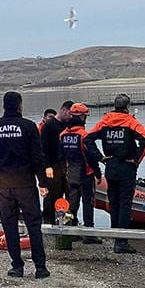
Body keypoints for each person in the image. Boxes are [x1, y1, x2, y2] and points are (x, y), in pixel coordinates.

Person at [0, 91, 51, 279]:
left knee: (9, 225)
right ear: (20, 106)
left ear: (4, 106)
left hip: (3, 184)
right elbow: (37, 157)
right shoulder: (28, 126)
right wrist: (43, 182)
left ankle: (17, 266)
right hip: (25, 183)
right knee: (34, 225)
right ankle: (40, 267)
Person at [83, 93, 145, 253]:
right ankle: (121, 241)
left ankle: (115, 237)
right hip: (126, 166)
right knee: (125, 203)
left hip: (111, 166)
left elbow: (87, 139)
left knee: (114, 202)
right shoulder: (131, 122)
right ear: (127, 107)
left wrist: (100, 157)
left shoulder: (105, 121)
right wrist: (136, 160)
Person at [58, 102, 101, 240]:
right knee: (88, 203)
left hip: (71, 173)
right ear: (82, 117)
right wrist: (98, 173)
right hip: (85, 174)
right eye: (85, 116)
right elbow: (91, 157)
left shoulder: (62, 135)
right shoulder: (84, 135)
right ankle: (89, 234)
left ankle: (71, 232)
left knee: (72, 203)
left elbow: (61, 156)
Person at [39, 100, 72, 214]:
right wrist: (47, 166)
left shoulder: (69, 124)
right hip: (53, 165)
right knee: (52, 196)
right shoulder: (49, 125)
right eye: (70, 114)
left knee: (69, 194)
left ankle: (68, 218)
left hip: (66, 165)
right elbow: (43, 148)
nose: (71, 117)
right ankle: (49, 219)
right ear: (64, 110)